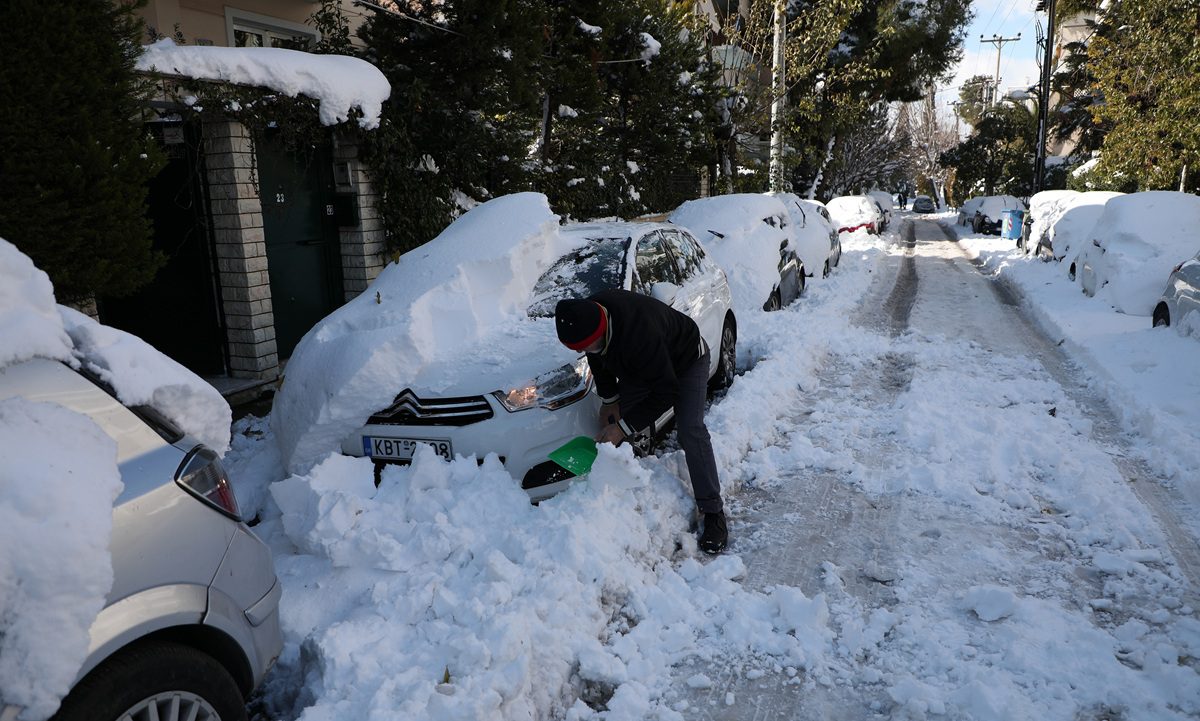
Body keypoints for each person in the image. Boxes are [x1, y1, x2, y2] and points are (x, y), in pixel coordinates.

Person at [554, 289, 728, 554]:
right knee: (621, 414)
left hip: (686, 360)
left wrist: (622, 428)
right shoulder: (588, 316)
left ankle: (713, 511)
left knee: (690, 430)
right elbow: (597, 358)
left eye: (585, 346)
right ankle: (622, 485)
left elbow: (667, 391)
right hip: (644, 367)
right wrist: (609, 401)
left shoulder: (640, 333)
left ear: (601, 330)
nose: (584, 351)